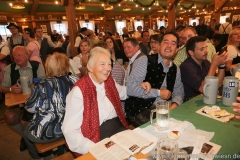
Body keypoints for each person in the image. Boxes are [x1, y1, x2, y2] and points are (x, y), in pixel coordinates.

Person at [62, 47, 150, 156]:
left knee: (145, 151)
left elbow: (123, 92)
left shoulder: (109, 80)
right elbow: (70, 131)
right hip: (96, 136)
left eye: (109, 64)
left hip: (119, 127)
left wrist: (139, 86)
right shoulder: (78, 91)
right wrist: (95, 149)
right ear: (89, 67)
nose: (108, 68)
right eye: (102, 64)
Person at [4, 53, 78, 159]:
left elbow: (30, 108)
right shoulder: (75, 80)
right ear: (65, 66)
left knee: (26, 132)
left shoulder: (42, 85)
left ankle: (38, 157)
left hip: (48, 133)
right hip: (71, 127)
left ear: (48, 68)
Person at [124, 33, 184, 127]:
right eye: (166, 42)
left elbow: (179, 92)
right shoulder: (144, 61)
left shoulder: (176, 69)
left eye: (173, 43)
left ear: (176, 50)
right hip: (140, 108)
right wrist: (159, 92)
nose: (169, 46)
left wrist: (173, 107)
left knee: (182, 124)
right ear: (159, 46)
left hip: (165, 108)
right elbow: (131, 89)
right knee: (160, 127)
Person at [180, 36, 227, 102]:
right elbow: (203, 89)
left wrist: (222, 65)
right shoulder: (186, 67)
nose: (206, 51)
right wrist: (213, 65)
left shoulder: (205, 62)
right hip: (189, 102)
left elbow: (218, 84)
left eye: (206, 48)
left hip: (204, 99)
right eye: (202, 49)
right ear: (191, 52)